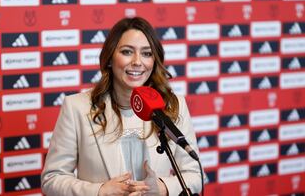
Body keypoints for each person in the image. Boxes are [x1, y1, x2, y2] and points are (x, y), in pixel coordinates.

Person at [41, 17, 202, 196]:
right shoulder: (76, 107)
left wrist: (162, 188)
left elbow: (195, 174)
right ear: (110, 58)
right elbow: (52, 179)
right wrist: (99, 191)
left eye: (147, 54)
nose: (137, 61)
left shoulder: (173, 105)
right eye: (127, 52)